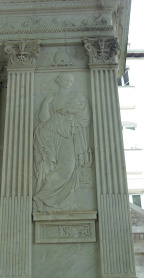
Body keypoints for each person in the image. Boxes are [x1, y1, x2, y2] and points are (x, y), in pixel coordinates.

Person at [33, 73, 91, 212]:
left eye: (71, 80)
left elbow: (84, 117)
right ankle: (48, 202)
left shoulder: (77, 96)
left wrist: (69, 111)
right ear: (58, 81)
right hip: (48, 134)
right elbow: (43, 118)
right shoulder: (52, 97)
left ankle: (43, 197)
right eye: (65, 79)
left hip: (66, 135)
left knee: (68, 167)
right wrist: (46, 103)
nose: (68, 82)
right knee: (48, 168)